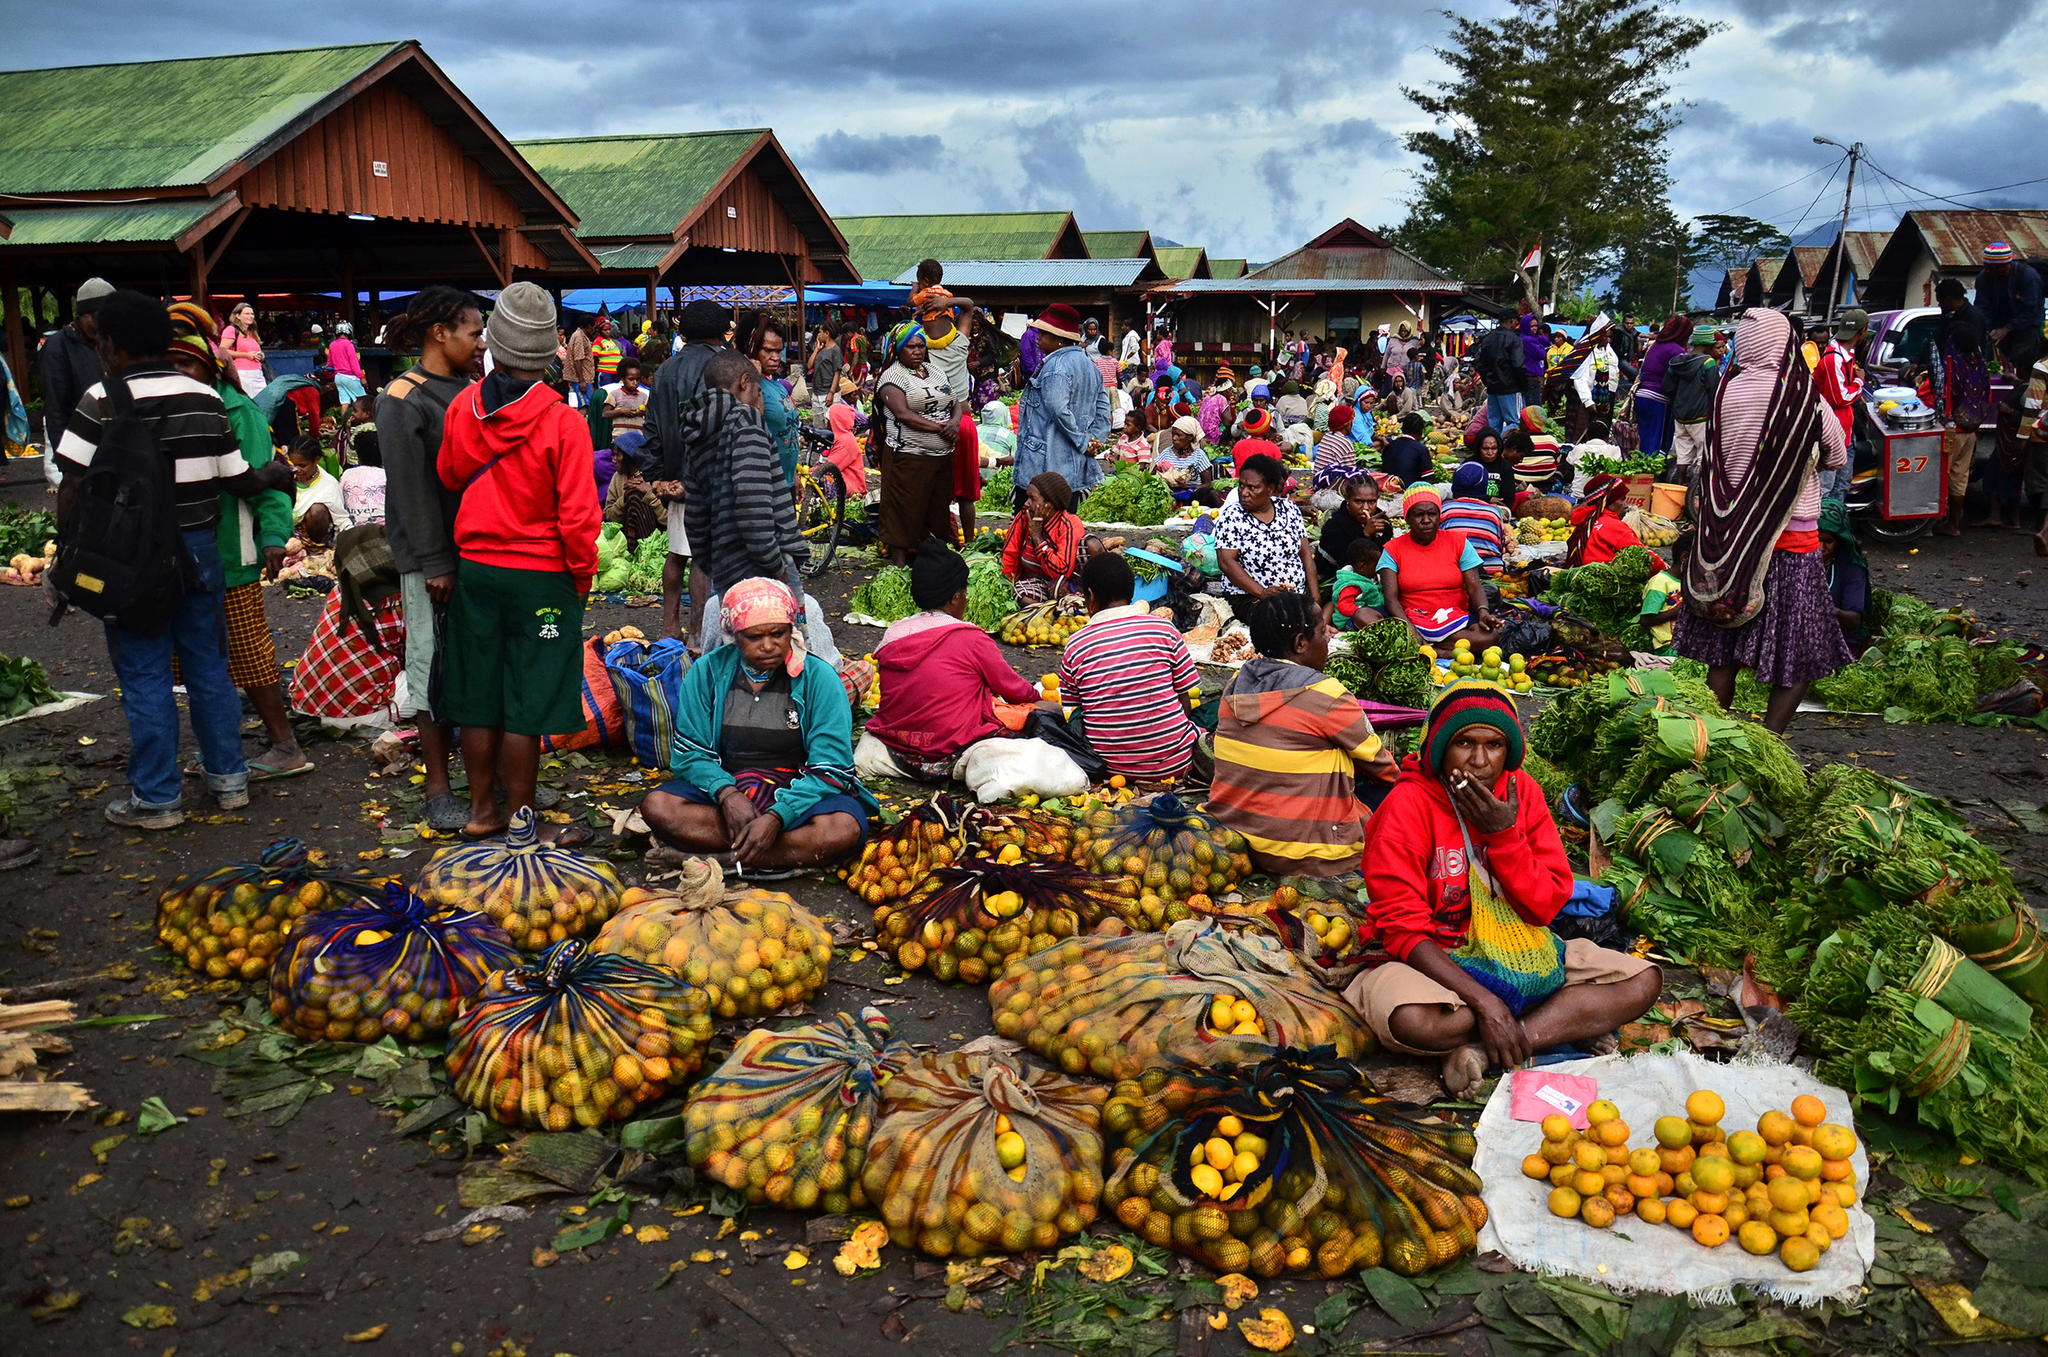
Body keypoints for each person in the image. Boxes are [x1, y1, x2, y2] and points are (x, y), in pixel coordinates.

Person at [1341, 682, 1660, 1095]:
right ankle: (1547, 1025)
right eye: (1463, 743)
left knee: (1642, 981)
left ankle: (1484, 1052)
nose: (1479, 760)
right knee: (1417, 1021)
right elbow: (1403, 931)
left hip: (1522, 949)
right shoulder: (1407, 806)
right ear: (1439, 749)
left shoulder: (1521, 792)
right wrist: (1486, 1003)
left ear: (1508, 751)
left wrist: (1504, 836)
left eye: (1493, 745)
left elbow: (1545, 908)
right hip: (1438, 959)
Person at [53, 290, 294, 828]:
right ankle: (229, 780)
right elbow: (236, 478)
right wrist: (273, 476)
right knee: (210, 667)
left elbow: (71, 481)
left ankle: (158, 799)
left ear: (109, 343)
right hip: (199, 552)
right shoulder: (203, 397)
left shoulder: (100, 398)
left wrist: (68, 552)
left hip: (128, 561)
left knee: (145, 675)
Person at [435, 282, 601, 839]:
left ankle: (482, 812)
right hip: (542, 581)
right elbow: (579, 517)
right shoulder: (563, 422)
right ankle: (522, 821)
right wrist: (581, 579)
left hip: (477, 572)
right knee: (529, 699)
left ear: (494, 345)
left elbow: (450, 476)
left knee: (479, 696)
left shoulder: (463, 407)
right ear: (550, 350)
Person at [1677, 308, 1851, 734]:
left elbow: (1711, 459)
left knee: (1724, 646)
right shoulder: (1800, 396)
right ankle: (1770, 737)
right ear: (1783, 343)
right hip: (1789, 541)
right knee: (1800, 649)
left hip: (1728, 540)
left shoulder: (1726, 392)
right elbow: (1837, 453)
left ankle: (1714, 732)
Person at [163, 301, 308, 781]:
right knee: (195, 659)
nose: (180, 373)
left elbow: (269, 479)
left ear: (208, 366)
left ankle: (285, 744)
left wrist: (273, 535)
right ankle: (219, 749)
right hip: (180, 552)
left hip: (233, 549)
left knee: (249, 654)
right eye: (173, 364)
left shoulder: (237, 409)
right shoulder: (164, 408)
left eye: (188, 364)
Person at [639, 576, 871, 873]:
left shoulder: (820, 679)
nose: (768, 646)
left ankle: (725, 860)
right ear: (735, 636)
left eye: (778, 634)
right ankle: (776, 853)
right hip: (729, 786)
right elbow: (689, 754)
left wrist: (777, 816)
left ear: (792, 630)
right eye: (754, 637)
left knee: (842, 828)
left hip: (801, 791)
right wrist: (727, 794)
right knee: (658, 806)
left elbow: (832, 767)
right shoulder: (707, 672)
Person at [377, 286, 484, 832]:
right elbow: (412, 489)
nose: (481, 340)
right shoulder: (403, 397)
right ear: (440, 332)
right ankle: (438, 786)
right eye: (473, 330)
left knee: (469, 664)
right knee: (430, 664)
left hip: (478, 551)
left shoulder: (470, 388)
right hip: (431, 560)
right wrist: (436, 562)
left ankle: (482, 778)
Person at [1209, 593, 1386, 877]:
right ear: (1300, 644)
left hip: (1236, 840)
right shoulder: (1326, 694)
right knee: (1394, 789)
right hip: (1305, 856)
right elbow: (1382, 766)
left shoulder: (1236, 683)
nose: (1328, 638)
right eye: (1321, 631)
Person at [863, 539, 1043, 778]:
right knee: (1041, 716)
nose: (966, 600)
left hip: (898, 740)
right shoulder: (970, 638)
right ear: (955, 597)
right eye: (965, 594)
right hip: (950, 744)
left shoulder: (893, 633)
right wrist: (1038, 699)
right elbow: (1013, 690)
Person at [672, 350, 809, 636]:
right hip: (763, 566)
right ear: (745, 382)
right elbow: (753, 504)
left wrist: (713, 561)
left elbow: (694, 513)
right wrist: (776, 566)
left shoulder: (697, 430)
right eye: (758, 392)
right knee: (787, 650)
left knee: (742, 652)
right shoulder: (745, 421)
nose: (760, 402)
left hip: (725, 566)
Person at [1058, 552, 1208, 781]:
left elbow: (1077, 706)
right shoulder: (1163, 629)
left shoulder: (1076, 644)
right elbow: (1184, 697)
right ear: (1132, 592)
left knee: (1075, 714)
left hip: (1109, 768)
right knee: (1214, 710)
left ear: (1089, 596)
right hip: (1177, 762)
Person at [644, 299, 728, 643]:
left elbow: (652, 428)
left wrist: (658, 477)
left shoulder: (665, 370)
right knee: (702, 558)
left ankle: (668, 629)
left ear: (682, 331)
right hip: (708, 477)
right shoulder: (722, 367)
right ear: (722, 332)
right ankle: (696, 634)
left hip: (674, 476)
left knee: (678, 552)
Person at [873, 322, 959, 563]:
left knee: (936, 508)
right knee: (904, 509)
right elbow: (903, 414)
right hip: (908, 456)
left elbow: (954, 403)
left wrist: (954, 423)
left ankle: (932, 559)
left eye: (921, 346)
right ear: (898, 349)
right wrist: (939, 428)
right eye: (911, 347)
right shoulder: (892, 377)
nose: (917, 351)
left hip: (941, 456)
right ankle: (899, 566)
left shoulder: (936, 371)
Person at [1378, 484, 1501, 647]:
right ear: (1407, 518)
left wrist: (1483, 611)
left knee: (1490, 636)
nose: (1426, 520)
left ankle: (1425, 646)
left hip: (1453, 617)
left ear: (1440, 516)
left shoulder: (1458, 542)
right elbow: (1390, 598)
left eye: (1432, 514)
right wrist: (1409, 628)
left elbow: (1475, 586)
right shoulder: (1393, 549)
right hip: (1409, 616)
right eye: (1419, 515)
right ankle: (1444, 646)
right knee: (1363, 615)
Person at [1015, 304, 1110, 498]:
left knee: (1036, 521)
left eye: (1043, 333)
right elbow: (1103, 409)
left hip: (1045, 465)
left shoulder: (1055, 366)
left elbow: (1058, 409)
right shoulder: (1089, 364)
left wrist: (1085, 442)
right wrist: (1094, 440)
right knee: (1065, 522)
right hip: (1073, 465)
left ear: (1059, 339)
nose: (1038, 338)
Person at [1215, 453, 1315, 619]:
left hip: (1293, 596)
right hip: (1250, 597)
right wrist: (1262, 592)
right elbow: (1226, 562)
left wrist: (1315, 598)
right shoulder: (1232, 516)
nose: (1244, 493)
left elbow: (1305, 556)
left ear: (1270, 489)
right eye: (1241, 486)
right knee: (1280, 619)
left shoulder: (1289, 509)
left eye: (1252, 488)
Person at [1926, 285, 1992, 536]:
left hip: (1952, 429)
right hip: (1971, 429)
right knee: (1960, 477)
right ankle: (1954, 524)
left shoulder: (1953, 366)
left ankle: (1932, 525)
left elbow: (1943, 395)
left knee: (1940, 475)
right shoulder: (1979, 364)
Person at [38, 277, 112, 454]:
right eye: (101, 319)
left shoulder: (110, 341)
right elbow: (56, 411)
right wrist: (66, 463)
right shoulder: (58, 348)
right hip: (81, 448)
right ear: (84, 316)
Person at [1001, 471, 1087, 604]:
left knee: (1091, 543)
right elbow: (1009, 555)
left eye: (1032, 499)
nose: (1026, 503)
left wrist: (1037, 537)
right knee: (1022, 595)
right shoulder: (1024, 517)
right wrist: (1005, 586)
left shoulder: (1069, 524)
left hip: (1063, 583)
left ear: (1050, 504)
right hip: (1031, 583)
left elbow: (1060, 571)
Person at [1977, 242, 2045, 407]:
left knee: (2023, 359)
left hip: (2027, 326)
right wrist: (1987, 329)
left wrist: (2007, 329)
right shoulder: (1984, 278)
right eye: (1989, 267)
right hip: (2000, 326)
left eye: (1999, 268)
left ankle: (2024, 398)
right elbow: (1982, 307)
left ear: (2008, 264)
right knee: (1995, 359)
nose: (1993, 271)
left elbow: (2030, 310)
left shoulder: (2028, 276)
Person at [1812, 308, 1866, 504]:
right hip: (1833, 431)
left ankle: (1834, 526)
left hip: (1844, 429)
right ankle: (1824, 529)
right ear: (1863, 332)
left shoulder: (1845, 355)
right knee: (1827, 488)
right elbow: (1840, 397)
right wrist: (1860, 382)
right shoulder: (1834, 358)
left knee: (1841, 484)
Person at [1316, 471, 1394, 585]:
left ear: (1378, 498)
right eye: (1358, 502)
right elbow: (1347, 564)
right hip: (1335, 579)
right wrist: (1366, 535)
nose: (1365, 508)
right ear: (1347, 499)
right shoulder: (1334, 525)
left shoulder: (1382, 521)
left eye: (1371, 502)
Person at [1633, 316, 1691, 456]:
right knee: (1655, 444)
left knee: (1645, 442)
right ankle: (1651, 476)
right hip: (1657, 399)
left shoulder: (1656, 346)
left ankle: (1640, 474)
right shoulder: (1676, 351)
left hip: (1642, 396)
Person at [1665, 329, 1721, 476]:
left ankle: (1679, 487)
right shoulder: (1709, 363)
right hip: (1700, 417)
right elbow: (1714, 390)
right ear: (1708, 344)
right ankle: (1696, 491)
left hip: (1680, 416)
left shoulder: (1678, 361)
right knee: (1703, 456)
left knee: (1683, 455)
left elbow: (1667, 387)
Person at [1816, 500, 1868, 652]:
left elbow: (1854, 620)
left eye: (1828, 542)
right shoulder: (1795, 564)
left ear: (1840, 541)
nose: (1821, 548)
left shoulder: (1852, 569)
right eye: (1816, 539)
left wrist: (1829, 611)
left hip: (1840, 641)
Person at [1439, 462, 1510, 572]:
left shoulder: (1445, 509)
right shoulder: (1493, 513)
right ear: (1484, 486)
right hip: (1490, 570)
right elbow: (1499, 545)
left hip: (1454, 570)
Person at [1564, 473, 1645, 567]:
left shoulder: (1586, 519)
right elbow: (1642, 555)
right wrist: (1663, 569)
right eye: (1622, 499)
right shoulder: (1612, 526)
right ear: (1606, 502)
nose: (1626, 505)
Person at [288, 438, 349, 544]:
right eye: (293, 464)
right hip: (286, 534)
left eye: (302, 466)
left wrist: (354, 537)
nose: (296, 469)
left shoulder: (329, 484)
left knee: (317, 510)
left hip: (310, 538)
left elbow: (341, 520)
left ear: (316, 460)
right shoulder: (284, 476)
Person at [1472, 318, 1525, 434]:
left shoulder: (1488, 338)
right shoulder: (1514, 339)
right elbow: (1518, 364)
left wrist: (1487, 381)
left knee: (1494, 422)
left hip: (1492, 387)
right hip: (1510, 387)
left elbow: (1480, 363)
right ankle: (1504, 447)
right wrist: (1522, 384)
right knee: (1513, 422)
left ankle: (1493, 447)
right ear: (1511, 321)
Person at [1329, 538, 1387, 630]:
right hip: (1350, 621)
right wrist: (1360, 610)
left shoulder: (1368, 578)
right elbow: (1344, 605)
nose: (1379, 568)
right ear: (1363, 566)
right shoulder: (1352, 585)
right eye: (1376, 565)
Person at [824, 378, 868, 497]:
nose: (828, 424)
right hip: (846, 480)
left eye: (830, 421)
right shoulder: (842, 437)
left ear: (836, 421)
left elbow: (831, 466)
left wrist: (810, 471)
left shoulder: (844, 441)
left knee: (820, 481)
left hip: (851, 485)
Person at [1152, 415, 1214, 495]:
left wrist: (1186, 486)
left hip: (1192, 497)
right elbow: (1152, 476)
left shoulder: (1199, 455)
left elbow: (1207, 485)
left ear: (1190, 437)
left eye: (1178, 435)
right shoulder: (1167, 453)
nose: (1174, 438)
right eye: (1173, 434)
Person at [218, 301, 267, 399]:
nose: (250, 316)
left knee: (262, 401)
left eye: (252, 314)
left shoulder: (251, 332)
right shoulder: (231, 330)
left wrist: (261, 355)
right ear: (238, 316)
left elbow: (257, 350)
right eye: (247, 313)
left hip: (257, 373)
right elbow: (222, 351)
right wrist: (246, 355)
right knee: (249, 402)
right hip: (242, 373)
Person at [1639, 556, 1684, 655]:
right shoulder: (1660, 582)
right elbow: (1646, 620)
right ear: (1685, 557)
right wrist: (1678, 611)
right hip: (1669, 647)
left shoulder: (1693, 580)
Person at [1379, 412, 1432, 487]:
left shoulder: (1390, 445)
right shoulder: (1421, 449)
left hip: (1390, 486)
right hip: (1411, 490)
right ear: (1421, 431)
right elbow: (1428, 479)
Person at [326, 321, 366, 404]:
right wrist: (362, 377)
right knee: (362, 401)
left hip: (338, 377)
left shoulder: (332, 345)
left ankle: (344, 417)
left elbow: (329, 363)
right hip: (350, 377)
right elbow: (354, 363)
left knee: (345, 402)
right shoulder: (349, 344)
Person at [1312, 404, 1357, 475]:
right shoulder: (1345, 443)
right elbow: (1351, 474)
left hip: (1317, 481)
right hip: (1332, 484)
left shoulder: (1326, 436)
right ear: (1347, 423)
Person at [562, 318, 595, 409]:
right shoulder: (579, 337)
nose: (593, 330)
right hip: (581, 378)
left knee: (588, 404)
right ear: (588, 326)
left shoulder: (580, 335)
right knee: (585, 406)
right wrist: (582, 381)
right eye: (593, 327)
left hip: (584, 377)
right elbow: (577, 359)